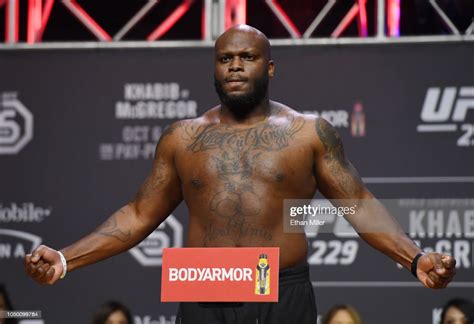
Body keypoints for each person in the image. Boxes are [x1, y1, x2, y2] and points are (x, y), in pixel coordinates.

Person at [24, 24, 456, 324]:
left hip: (281, 291)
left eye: (247, 57)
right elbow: (139, 215)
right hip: (204, 289)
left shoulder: (308, 133)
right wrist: (65, 259)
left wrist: (415, 258)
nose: (234, 66)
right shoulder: (183, 138)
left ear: (269, 67)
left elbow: (358, 204)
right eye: (224, 58)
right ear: (213, 67)